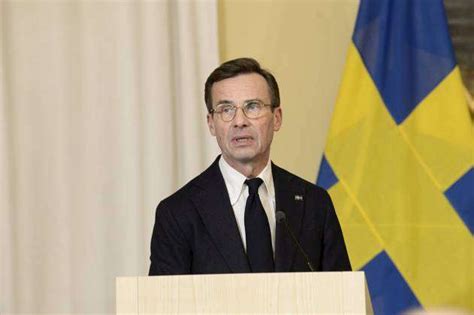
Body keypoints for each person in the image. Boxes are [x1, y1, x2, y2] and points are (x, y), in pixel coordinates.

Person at [149, 58, 351, 275]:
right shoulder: (177, 213)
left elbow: (343, 297)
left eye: (252, 106)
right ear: (211, 124)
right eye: (226, 110)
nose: (239, 121)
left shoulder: (315, 204)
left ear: (276, 118)